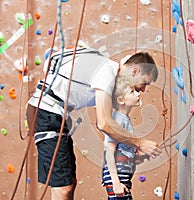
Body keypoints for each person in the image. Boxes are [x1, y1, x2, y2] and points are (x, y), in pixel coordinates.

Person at [26, 46, 161, 200]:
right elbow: (103, 124)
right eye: (144, 82)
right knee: (63, 187)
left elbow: (111, 124)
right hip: (47, 112)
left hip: (51, 113)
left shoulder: (106, 71)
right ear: (135, 71)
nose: (142, 89)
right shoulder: (107, 72)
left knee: (69, 182)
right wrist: (140, 143)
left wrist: (132, 148)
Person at [102, 76, 146, 199]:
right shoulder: (118, 120)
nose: (138, 94)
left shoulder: (124, 119)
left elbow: (123, 148)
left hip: (122, 176)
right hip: (117, 178)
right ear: (121, 100)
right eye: (132, 92)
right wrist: (116, 182)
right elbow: (109, 152)